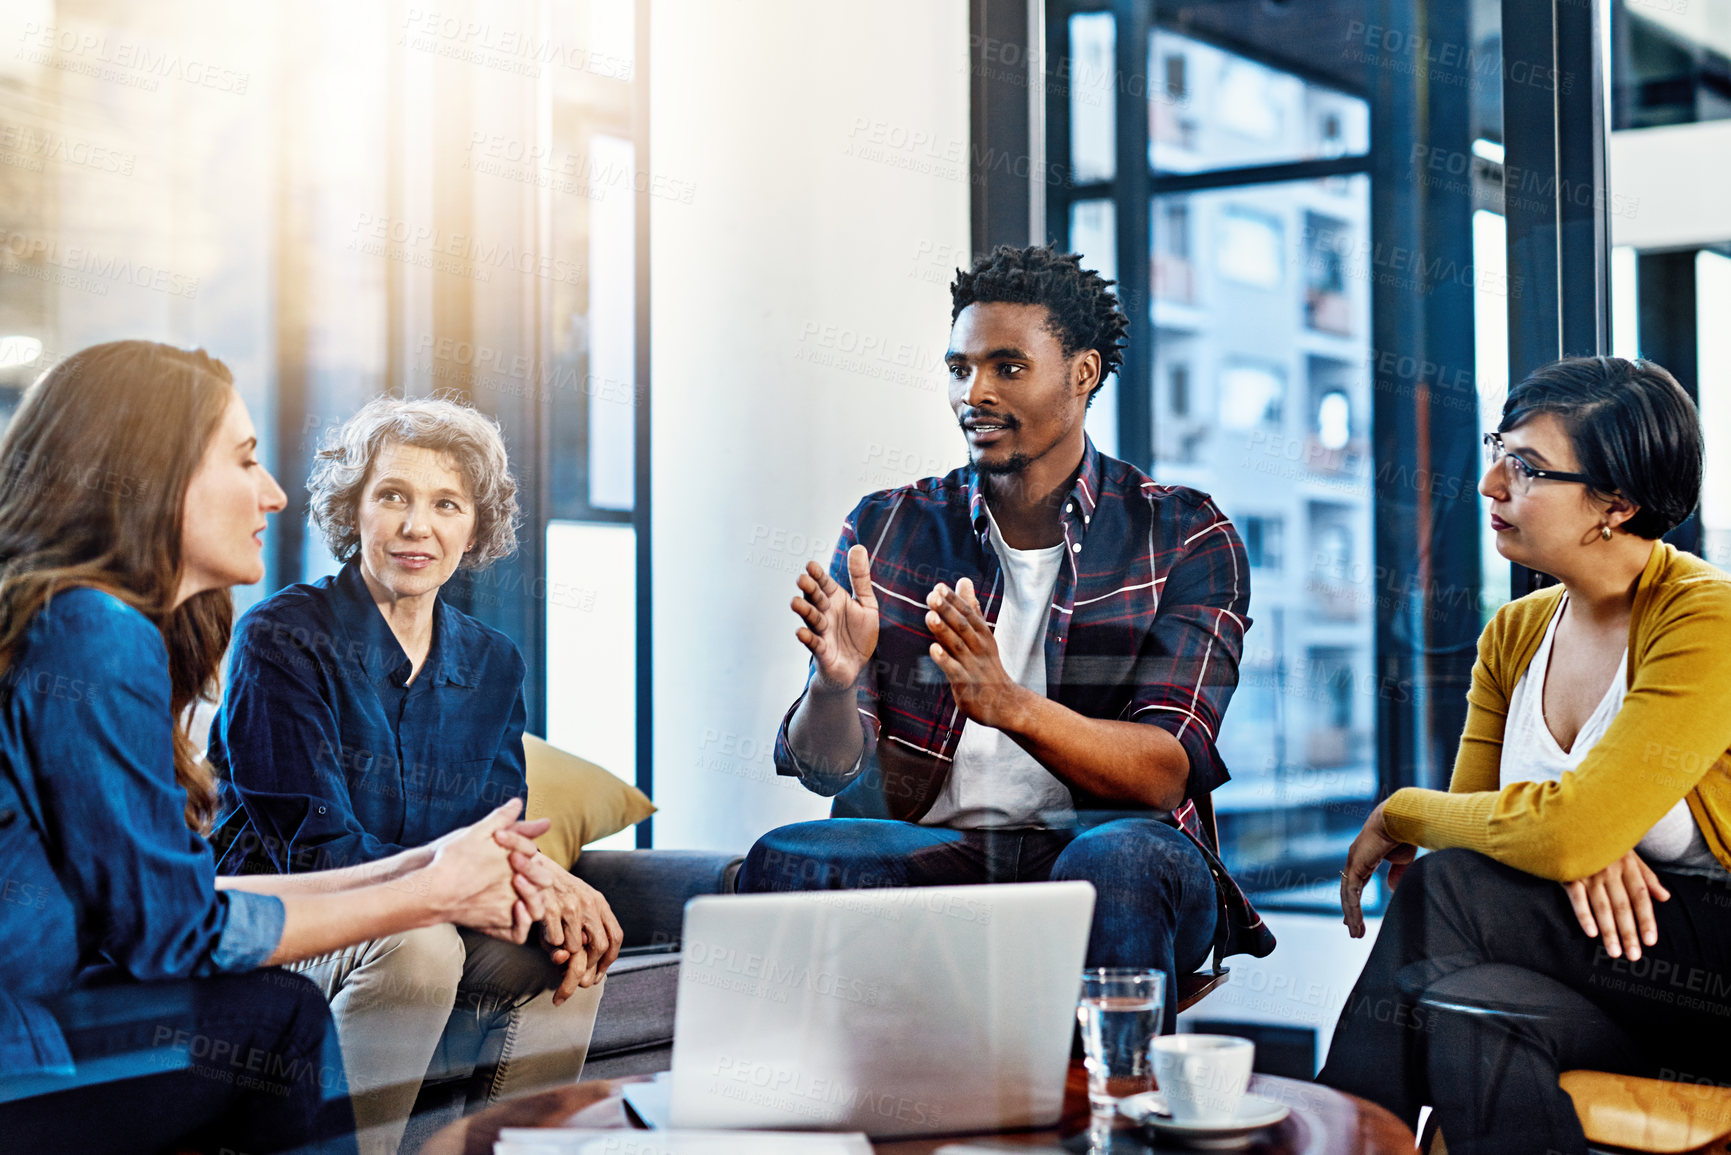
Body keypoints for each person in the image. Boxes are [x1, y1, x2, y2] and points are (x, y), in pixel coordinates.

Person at [0, 341, 553, 1155]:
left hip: (51, 1010)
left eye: (447, 505)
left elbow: (151, 904)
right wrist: (429, 892)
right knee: (277, 1017)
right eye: (245, 459)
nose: (273, 492)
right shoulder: (96, 632)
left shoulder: (85, 624)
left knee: (538, 950)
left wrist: (446, 874)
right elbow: (173, 929)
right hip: (25, 1047)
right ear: (156, 474)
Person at [736, 244, 1274, 1029]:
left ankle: (1104, 1121)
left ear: (1082, 372)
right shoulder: (889, 524)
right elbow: (826, 771)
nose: (973, 392)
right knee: (789, 856)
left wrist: (1009, 704)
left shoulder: (1184, 532)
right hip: (939, 851)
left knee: (1114, 862)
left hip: (1111, 850)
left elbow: (1163, 771)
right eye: (958, 368)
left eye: (1006, 367)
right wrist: (833, 683)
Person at [1319, 356, 1731, 1155]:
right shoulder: (1513, 632)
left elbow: (1509, 839)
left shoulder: (1705, 618)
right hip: (1599, 980)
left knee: (1446, 887)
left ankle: (1334, 1141)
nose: (1488, 484)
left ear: (1615, 503)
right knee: (1470, 1006)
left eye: (1527, 467)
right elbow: (1499, 830)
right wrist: (1566, 840)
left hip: (1708, 978)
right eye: (1497, 451)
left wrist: (1403, 810)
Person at [208, 394, 623, 1154]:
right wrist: (463, 882)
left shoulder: (495, 662)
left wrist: (550, 884)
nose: (415, 526)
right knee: (421, 945)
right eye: (392, 496)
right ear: (354, 509)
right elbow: (317, 851)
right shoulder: (282, 637)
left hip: (427, 910)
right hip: (292, 921)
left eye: (446, 503)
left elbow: (498, 837)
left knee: (573, 947)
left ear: (475, 525)